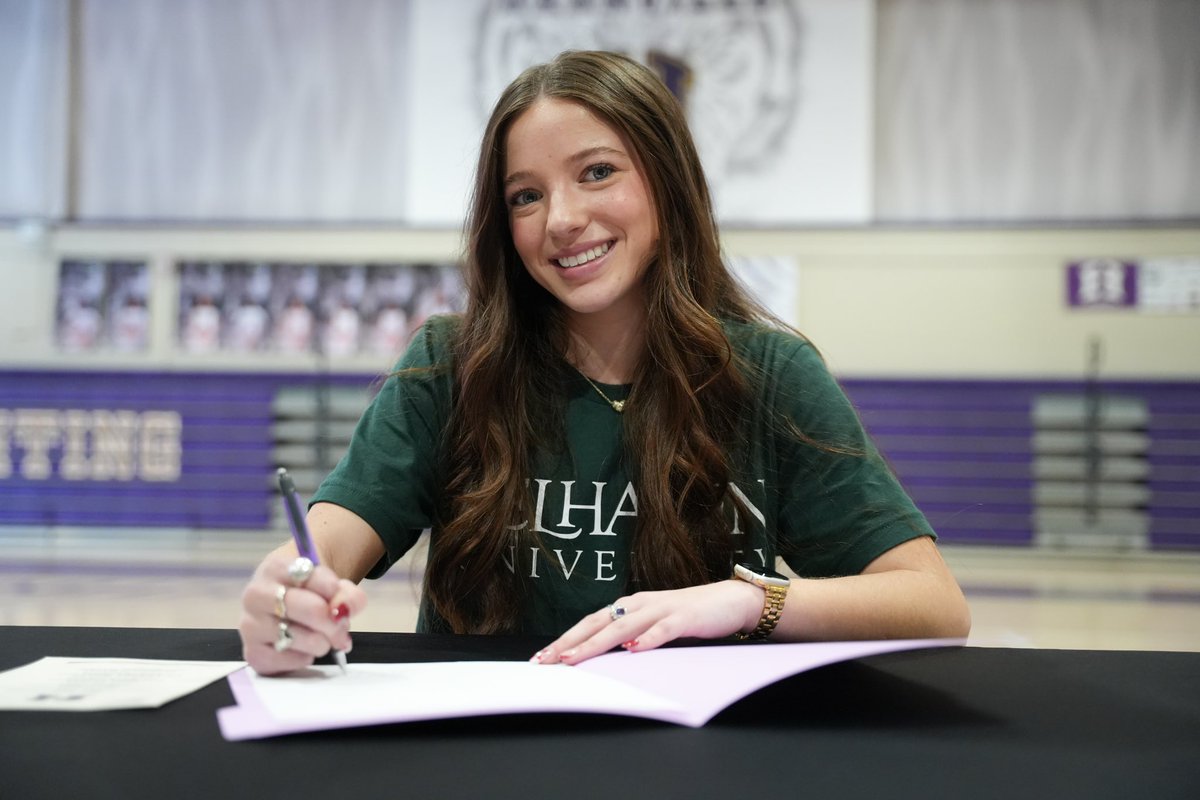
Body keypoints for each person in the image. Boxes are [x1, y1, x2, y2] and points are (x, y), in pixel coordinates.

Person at [238, 50, 970, 675]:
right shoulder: (449, 365)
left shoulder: (768, 372)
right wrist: (289, 593)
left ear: (666, 181)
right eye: (526, 195)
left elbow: (932, 604)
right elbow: (332, 539)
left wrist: (752, 599)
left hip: (695, 762)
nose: (560, 219)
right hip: (488, 752)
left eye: (596, 173)